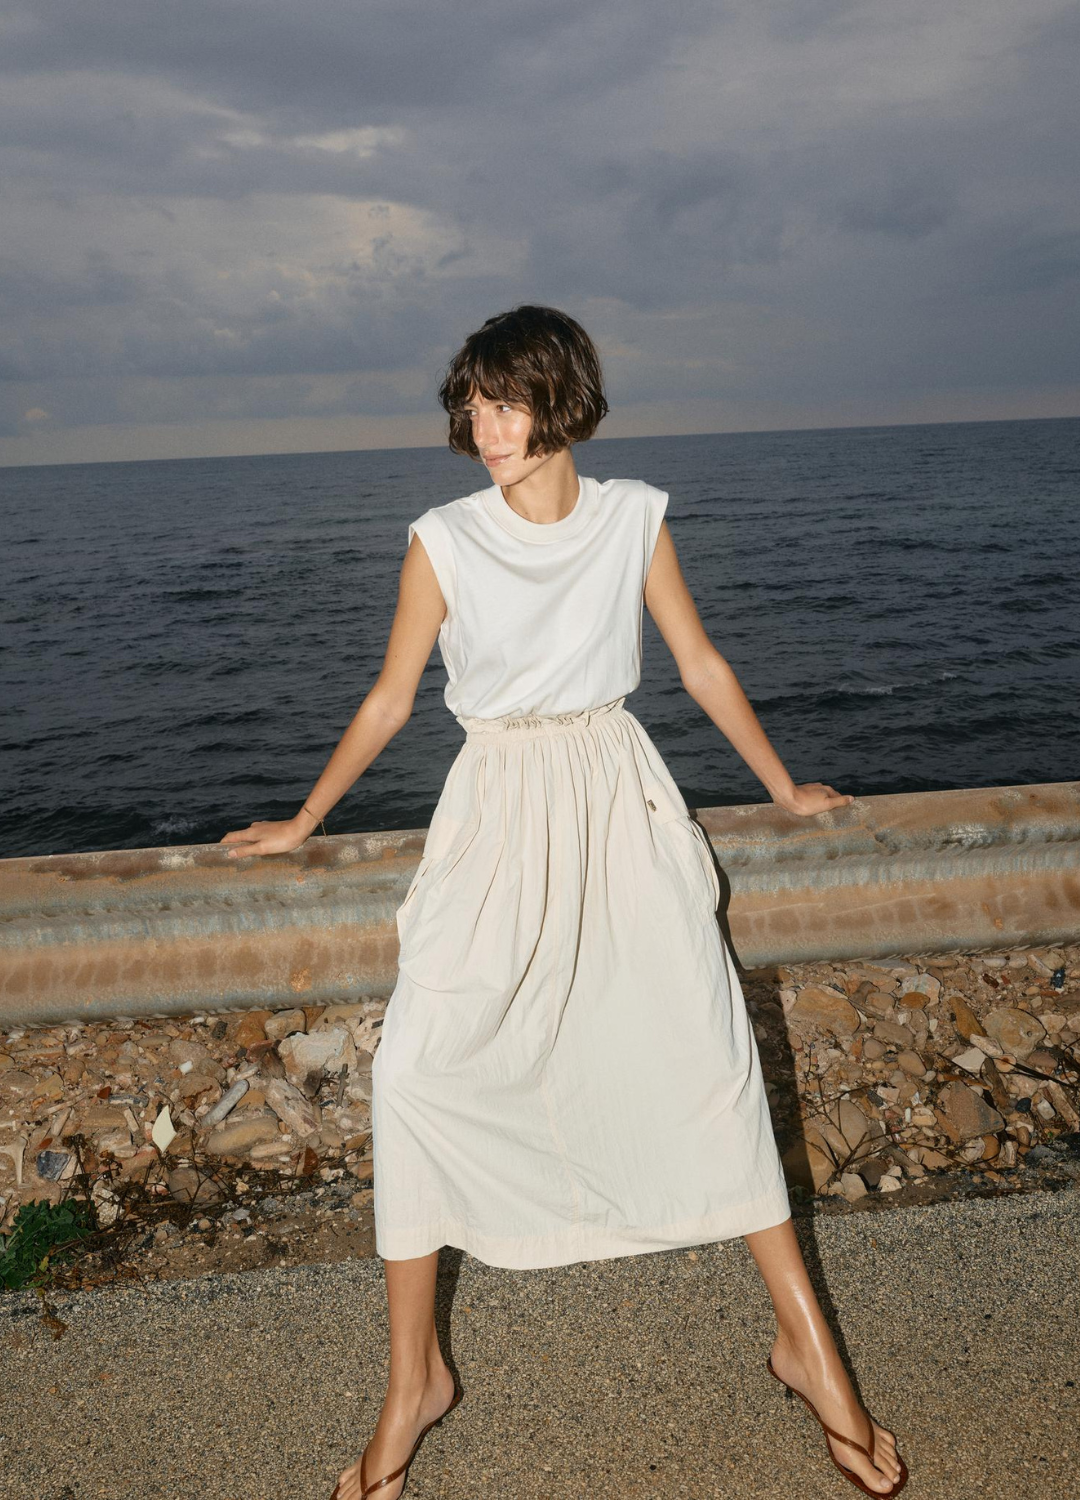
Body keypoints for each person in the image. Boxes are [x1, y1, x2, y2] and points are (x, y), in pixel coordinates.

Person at [222, 305, 909, 1500]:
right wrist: (304, 819)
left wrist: (782, 787)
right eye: (472, 404)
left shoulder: (633, 516)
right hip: (495, 815)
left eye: (506, 401)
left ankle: (811, 1350)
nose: (484, 426)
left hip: (617, 803)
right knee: (416, 1072)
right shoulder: (443, 540)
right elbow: (389, 700)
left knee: (706, 1062)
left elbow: (699, 662)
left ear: (563, 399)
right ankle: (413, 1381)